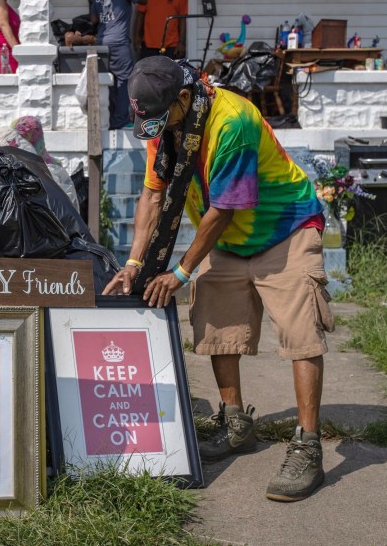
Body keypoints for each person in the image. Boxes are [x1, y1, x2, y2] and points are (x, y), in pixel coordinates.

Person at [103, 55, 332, 502]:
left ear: (184, 98)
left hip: (285, 229)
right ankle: (235, 423)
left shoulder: (232, 122)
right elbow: (152, 194)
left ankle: (308, 445)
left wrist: (182, 271)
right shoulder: (163, 121)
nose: (154, 130)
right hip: (230, 241)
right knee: (217, 323)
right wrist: (133, 264)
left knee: (301, 334)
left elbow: (223, 210)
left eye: (159, 119)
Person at [90, 0, 147, 130]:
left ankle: (111, 119)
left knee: (110, 80)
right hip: (119, 42)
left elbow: (94, 20)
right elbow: (144, 0)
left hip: (102, 42)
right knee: (126, 80)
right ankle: (120, 120)